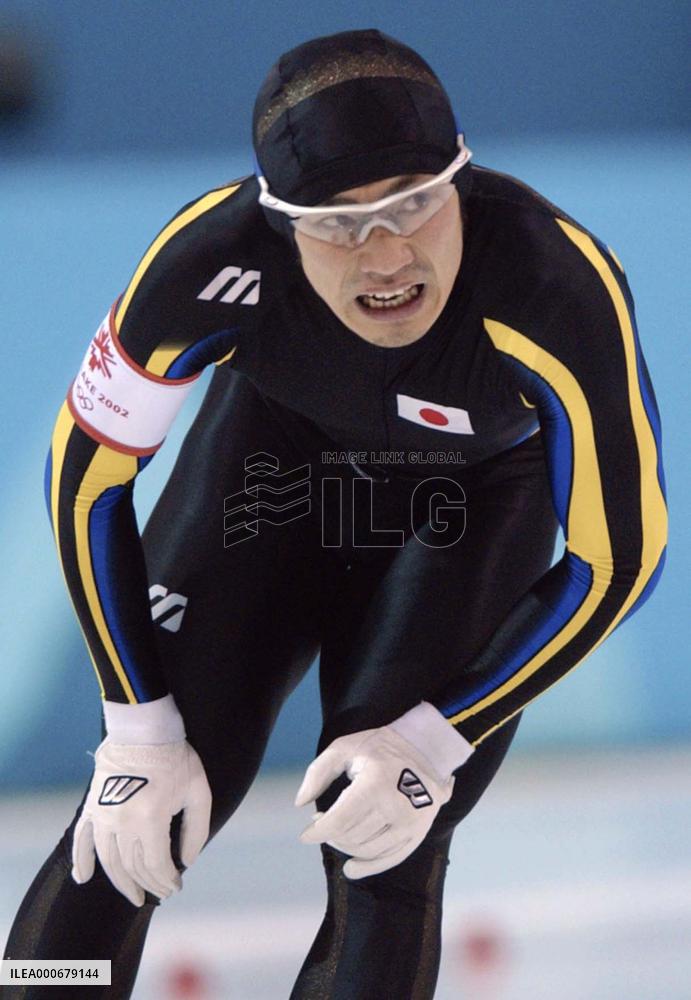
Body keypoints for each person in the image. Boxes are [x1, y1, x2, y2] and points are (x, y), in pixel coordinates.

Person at [4, 28, 667, 999]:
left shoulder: (551, 281)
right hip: (265, 474)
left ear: (461, 179)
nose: (386, 253)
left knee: (384, 839)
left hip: (471, 507)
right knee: (121, 832)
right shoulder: (203, 261)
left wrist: (434, 740)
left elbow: (622, 556)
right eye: (337, 222)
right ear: (277, 223)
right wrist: (134, 724)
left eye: (413, 202)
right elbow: (83, 477)